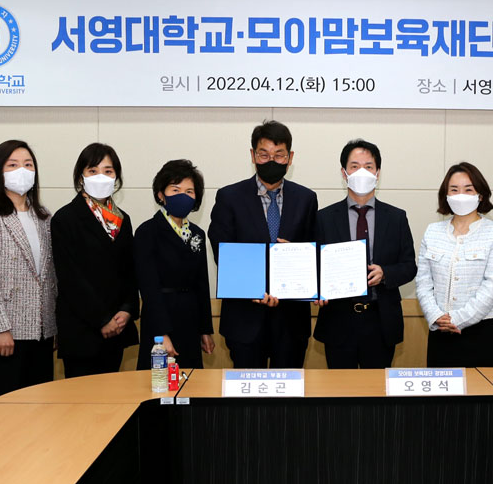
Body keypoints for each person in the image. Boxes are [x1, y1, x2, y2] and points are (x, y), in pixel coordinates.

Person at [209, 120, 318, 368]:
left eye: (279, 155)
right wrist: (253, 288)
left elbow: (314, 251)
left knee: (289, 390)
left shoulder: (306, 198)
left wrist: (296, 254)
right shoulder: (229, 197)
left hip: (291, 321)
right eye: (264, 154)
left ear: (290, 158)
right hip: (244, 320)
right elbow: (222, 251)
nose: (271, 161)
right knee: (246, 391)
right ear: (253, 155)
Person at [0, 140, 57, 405]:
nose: (22, 170)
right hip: (4, 334)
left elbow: (51, 275)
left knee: (40, 409)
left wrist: (53, 325)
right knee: (4, 411)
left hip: (40, 331)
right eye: (13, 165)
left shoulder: (44, 216)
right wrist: (1, 329)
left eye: (28, 165)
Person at [314, 139, 416, 369]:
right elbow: (316, 266)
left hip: (380, 320)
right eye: (354, 166)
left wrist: (385, 273)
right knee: (340, 389)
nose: (362, 172)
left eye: (368, 166)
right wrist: (317, 289)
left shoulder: (396, 218)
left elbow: (409, 266)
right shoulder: (324, 218)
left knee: (377, 389)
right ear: (344, 173)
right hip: (338, 320)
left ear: (378, 173)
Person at [50, 142, 140, 378]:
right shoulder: (65, 219)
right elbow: (70, 278)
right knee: (80, 398)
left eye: (108, 171)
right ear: (81, 177)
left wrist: (127, 310)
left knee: (113, 396)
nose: (101, 176)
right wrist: (102, 319)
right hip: (82, 331)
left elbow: (130, 270)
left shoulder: (122, 220)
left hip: (117, 328)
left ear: (116, 176)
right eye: (93, 170)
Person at [415, 162, 493, 367]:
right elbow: (423, 282)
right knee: (441, 388)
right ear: (446, 195)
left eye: (468, 189)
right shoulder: (432, 231)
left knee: (481, 388)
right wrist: (436, 316)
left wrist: (458, 318)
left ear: (480, 195)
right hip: (440, 330)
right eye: (454, 190)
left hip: (481, 331)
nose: (461, 195)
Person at [133, 159, 215, 370]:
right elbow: (148, 287)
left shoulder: (197, 233)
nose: (183, 196)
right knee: (159, 382)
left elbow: (202, 283)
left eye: (189, 191)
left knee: (191, 381)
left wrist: (205, 329)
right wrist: (161, 334)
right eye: (175, 190)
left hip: (190, 319)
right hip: (160, 320)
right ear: (161, 194)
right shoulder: (147, 232)